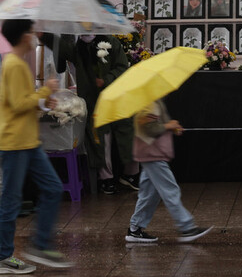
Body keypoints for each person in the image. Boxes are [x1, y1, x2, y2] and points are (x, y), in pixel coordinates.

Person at [0, 20, 73, 274]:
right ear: (22, 36)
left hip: (27, 141)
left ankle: (40, 244)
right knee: (10, 200)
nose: (35, 35)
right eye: (31, 31)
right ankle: (3, 256)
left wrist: (43, 101)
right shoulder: (13, 64)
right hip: (15, 142)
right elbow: (19, 104)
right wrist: (44, 91)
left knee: (52, 188)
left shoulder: (18, 64)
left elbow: (20, 102)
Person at [42, 32, 138, 195]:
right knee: (100, 140)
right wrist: (46, 34)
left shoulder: (112, 43)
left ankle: (131, 175)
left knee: (127, 133)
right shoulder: (79, 47)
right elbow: (63, 52)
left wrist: (106, 79)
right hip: (93, 101)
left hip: (117, 98)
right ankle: (106, 178)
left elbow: (121, 67)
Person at [125, 97, 213, 244]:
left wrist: (171, 127)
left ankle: (135, 229)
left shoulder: (152, 101)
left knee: (149, 195)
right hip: (152, 154)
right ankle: (187, 227)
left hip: (150, 154)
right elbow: (150, 128)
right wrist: (169, 126)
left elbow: (155, 125)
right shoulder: (149, 103)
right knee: (169, 190)